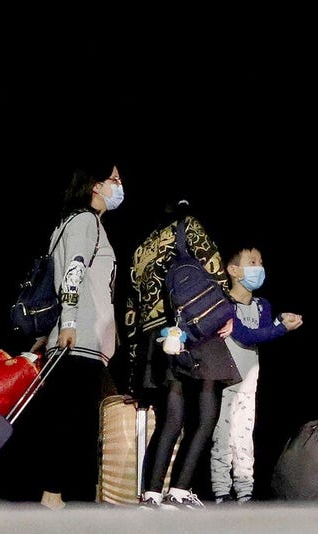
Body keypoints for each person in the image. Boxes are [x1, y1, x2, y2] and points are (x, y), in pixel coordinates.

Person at [123, 197, 238, 510]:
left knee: (171, 417)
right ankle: (180, 489)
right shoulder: (188, 228)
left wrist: (137, 359)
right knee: (206, 413)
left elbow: (132, 308)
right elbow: (215, 270)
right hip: (194, 327)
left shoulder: (140, 249)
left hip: (156, 336)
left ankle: (151, 494)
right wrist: (225, 312)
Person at [35, 160, 124, 510]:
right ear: (95, 185)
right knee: (74, 424)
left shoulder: (71, 224)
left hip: (81, 339)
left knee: (69, 420)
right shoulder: (85, 221)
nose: (119, 185)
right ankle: (57, 498)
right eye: (114, 179)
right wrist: (69, 323)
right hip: (80, 341)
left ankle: (56, 497)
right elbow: (72, 271)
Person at [209, 244, 303, 504]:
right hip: (227, 382)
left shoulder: (262, 305)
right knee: (223, 436)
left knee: (244, 437)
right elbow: (246, 334)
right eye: (252, 262)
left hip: (249, 385)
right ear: (233, 270)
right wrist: (281, 328)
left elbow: (262, 334)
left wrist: (278, 322)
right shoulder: (223, 304)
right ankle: (221, 491)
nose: (259, 268)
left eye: (260, 262)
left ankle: (245, 491)